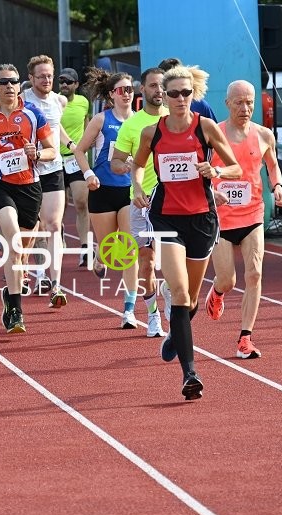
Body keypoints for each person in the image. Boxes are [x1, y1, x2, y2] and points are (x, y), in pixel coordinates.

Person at [130, 65, 242, 400]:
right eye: (174, 93)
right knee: (178, 294)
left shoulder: (205, 127)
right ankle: (190, 374)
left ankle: (175, 336)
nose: (180, 99)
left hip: (202, 219)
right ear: (163, 95)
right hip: (166, 217)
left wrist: (217, 170)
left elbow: (235, 167)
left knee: (190, 300)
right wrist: (137, 186)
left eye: (186, 93)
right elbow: (136, 165)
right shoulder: (154, 133)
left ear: (194, 95)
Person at [0, 63, 56, 333]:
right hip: (0, 185)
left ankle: (10, 295)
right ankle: (17, 311)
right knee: (13, 240)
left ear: (20, 85)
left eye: (13, 81)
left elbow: (52, 150)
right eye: (3, 82)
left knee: (20, 253)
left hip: (30, 186)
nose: (9, 86)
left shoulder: (33, 114)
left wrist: (37, 154)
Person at [205, 80, 282, 359]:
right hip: (222, 218)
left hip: (253, 214)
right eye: (239, 102)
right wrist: (213, 190)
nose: (245, 107)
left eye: (250, 101)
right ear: (227, 103)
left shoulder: (264, 135)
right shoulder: (214, 134)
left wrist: (277, 186)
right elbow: (202, 170)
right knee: (228, 280)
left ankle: (245, 338)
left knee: (255, 274)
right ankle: (217, 292)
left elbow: (273, 166)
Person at [71, 67, 138, 329]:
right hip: (101, 190)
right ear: (112, 94)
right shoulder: (101, 120)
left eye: (131, 90)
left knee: (129, 249)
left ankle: (129, 308)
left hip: (129, 192)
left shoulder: (139, 121)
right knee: (112, 251)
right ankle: (100, 256)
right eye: (122, 90)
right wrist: (88, 173)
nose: (127, 95)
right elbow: (79, 151)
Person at [110, 67, 169, 338]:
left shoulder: (177, 118)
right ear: (142, 90)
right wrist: (127, 168)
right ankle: (153, 315)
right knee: (146, 263)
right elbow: (116, 161)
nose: (159, 91)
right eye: (153, 86)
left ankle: (170, 294)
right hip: (141, 202)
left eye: (162, 86)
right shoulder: (133, 125)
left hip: (173, 201)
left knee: (171, 262)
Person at [23, 54, 71, 308]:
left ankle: (55, 285)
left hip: (53, 167)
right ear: (30, 78)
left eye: (50, 75)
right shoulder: (22, 102)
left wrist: (70, 144)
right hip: (26, 171)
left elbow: (56, 128)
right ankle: (24, 270)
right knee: (30, 228)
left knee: (53, 225)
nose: (46, 79)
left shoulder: (59, 101)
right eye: (41, 76)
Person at [58, 67, 92, 266]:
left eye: (69, 82)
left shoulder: (83, 102)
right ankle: (58, 235)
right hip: (55, 159)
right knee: (58, 208)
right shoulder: (54, 101)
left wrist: (85, 149)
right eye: (61, 81)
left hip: (75, 158)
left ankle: (85, 248)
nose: (64, 85)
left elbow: (87, 126)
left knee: (81, 202)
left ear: (76, 85)